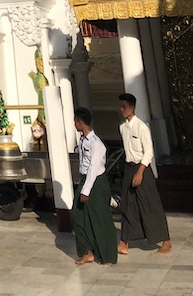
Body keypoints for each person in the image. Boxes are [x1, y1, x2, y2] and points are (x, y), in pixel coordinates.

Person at [117, 93, 171, 255]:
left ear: (132, 108)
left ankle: (166, 241)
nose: (122, 110)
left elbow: (148, 152)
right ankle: (124, 241)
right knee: (127, 203)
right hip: (129, 167)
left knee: (150, 204)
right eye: (120, 107)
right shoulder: (122, 128)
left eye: (124, 107)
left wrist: (140, 173)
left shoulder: (141, 127)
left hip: (143, 169)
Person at [72, 107, 118, 266]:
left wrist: (86, 190)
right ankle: (88, 252)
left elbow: (93, 167)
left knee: (101, 218)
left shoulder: (96, 144)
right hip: (85, 179)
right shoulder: (82, 139)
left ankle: (108, 255)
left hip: (96, 182)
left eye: (75, 121)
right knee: (77, 216)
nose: (74, 124)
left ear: (79, 122)